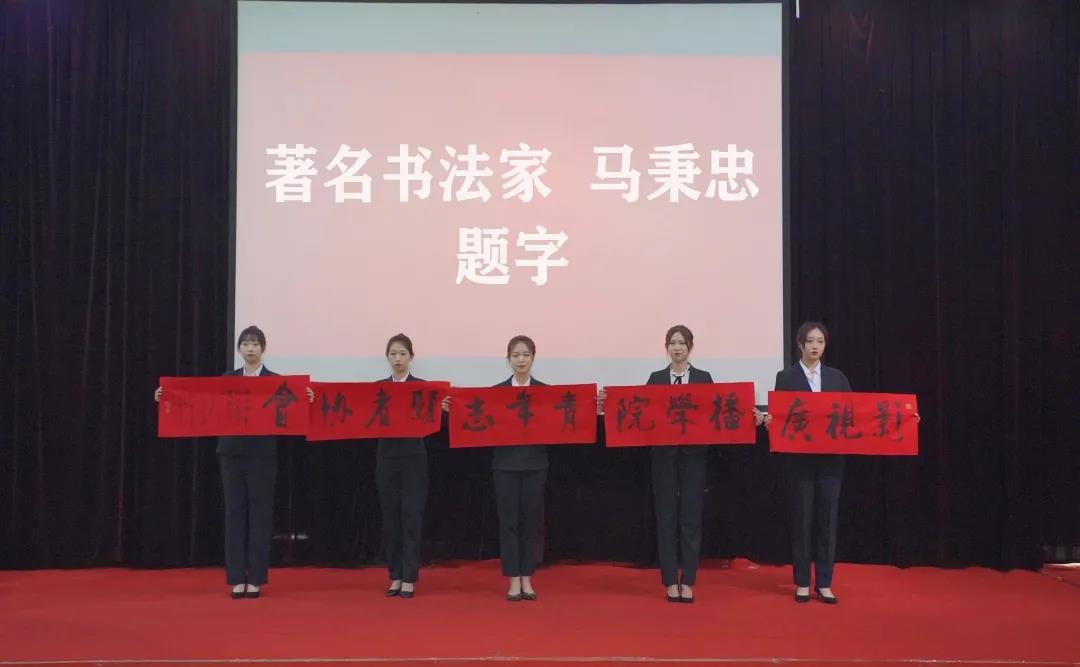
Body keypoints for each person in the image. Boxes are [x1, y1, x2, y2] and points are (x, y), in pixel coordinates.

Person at [154, 325, 313, 599]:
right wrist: (167, 395)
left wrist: (307, 398)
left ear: (263, 348)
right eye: (245, 344)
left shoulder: (276, 382)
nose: (250, 348)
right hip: (231, 454)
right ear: (239, 349)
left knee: (260, 516)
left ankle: (257, 578)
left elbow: (294, 408)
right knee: (234, 514)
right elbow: (198, 400)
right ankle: (237, 578)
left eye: (255, 344)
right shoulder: (227, 379)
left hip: (262, 455)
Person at [442, 335, 547, 601]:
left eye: (525, 355)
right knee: (509, 523)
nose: (521, 360)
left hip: (535, 465)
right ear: (508, 359)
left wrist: (595, 404)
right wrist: (451, 408)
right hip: (505, 467)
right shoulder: (495, 393)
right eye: (516, 355)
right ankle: (513, 579)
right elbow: (472, 415)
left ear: (533, 358)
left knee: (530, 523)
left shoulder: (546, 393)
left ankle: (527, 577)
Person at [375, 333, 429, 599]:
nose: (398, 359)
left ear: (411, 357)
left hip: (414, 460)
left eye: (403, 354)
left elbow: (438, 417)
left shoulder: (423, 389)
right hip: (386, 459)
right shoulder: (378, 390)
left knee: (411, 518)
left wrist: (443, 406)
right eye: (393, 354)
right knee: (391, 519)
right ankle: (395, 575)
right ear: (387, 357)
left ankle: (409, 577)